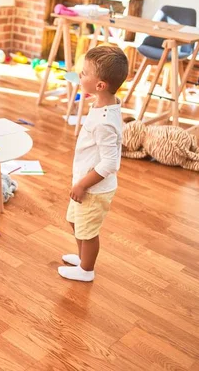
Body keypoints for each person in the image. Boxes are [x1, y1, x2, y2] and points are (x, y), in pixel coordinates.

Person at [60, 45, 128, 282]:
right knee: (74, 220)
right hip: (84, 181)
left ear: (100, 85)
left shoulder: (105, 121)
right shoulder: (105, 103)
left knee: (88, 231)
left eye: (85, 73)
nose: (80, 76)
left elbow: (111, 162)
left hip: (93, 188)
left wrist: (82, 185)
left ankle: (86, 270)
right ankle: (82, 258)